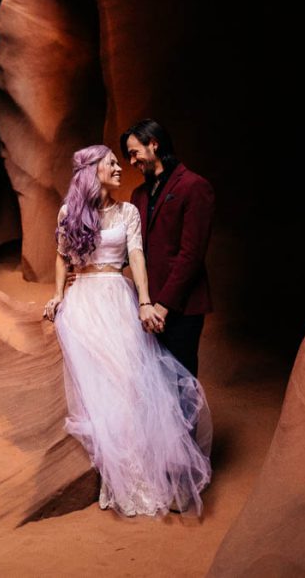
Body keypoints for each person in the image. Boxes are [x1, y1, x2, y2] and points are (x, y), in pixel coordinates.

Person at [43, 145, 211, 517]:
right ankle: (118, 480)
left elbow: (136, 256)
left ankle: (142, 478)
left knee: (131, 383)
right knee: (103, 385)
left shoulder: (128, 212)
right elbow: (60, 255)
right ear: (92, 171)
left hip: (119, 296)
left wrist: (145, 301)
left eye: (121, 162)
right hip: (84, 298)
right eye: (112, 164)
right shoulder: (69, 212)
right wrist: (57, 296)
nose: (120, 168)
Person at [120, 121, 214, 378]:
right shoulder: (138, 194)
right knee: (154, 386)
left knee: (181, 383)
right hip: (146, 307)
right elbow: (133, 248)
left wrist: (163, 305)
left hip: (181, 306)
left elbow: (191, 254)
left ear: (154, 144)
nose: (131, 161)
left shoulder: (194, 186)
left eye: (134, 152)